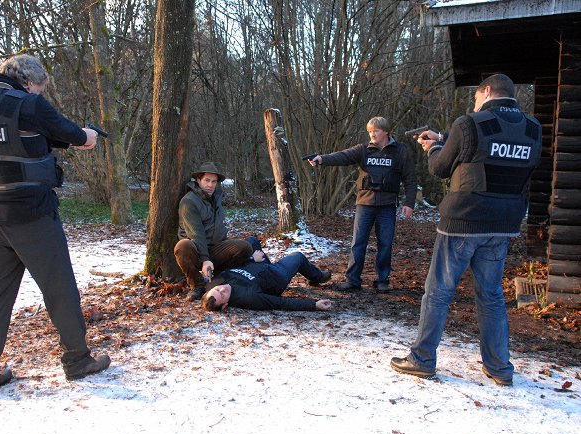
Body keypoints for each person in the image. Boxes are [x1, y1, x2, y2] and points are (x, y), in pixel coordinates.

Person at [0, 54, 111, 396]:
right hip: (31, 213)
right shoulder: (30, 103)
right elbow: (76, 136)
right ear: (29, 83)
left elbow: (21, 140)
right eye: (40, 88)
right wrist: (87, 134)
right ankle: (77, 360)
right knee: (59, 286)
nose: (39, 92)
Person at [390, 74, 542, 386]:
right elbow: (490, 148)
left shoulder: (469, 122)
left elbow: (440, 168)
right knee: (491, 296)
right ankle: (500, 368)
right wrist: (446, 137)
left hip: (465, 220)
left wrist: (433, 147)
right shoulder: (533, 128)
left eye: (476, 99)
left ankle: (421, 359)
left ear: (486, 92)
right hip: (504, 224)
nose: (474, 105)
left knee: (439, 291)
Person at [308, 116, 417, 293]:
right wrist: (322, 159)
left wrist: (409, 203)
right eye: (370, 131)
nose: (372, 134)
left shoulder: (400, 151)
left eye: (376, 131)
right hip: (364, 204)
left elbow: (410, 179)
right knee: (358, 243)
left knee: (385, 243)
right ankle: (352, 280)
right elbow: (343, 156)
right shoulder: (363, 150)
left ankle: (382, 280)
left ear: (386, 132)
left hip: (387, 205)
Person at [174, 162, 257, 301]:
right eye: (207, 180)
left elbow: (218, 227)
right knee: (182, 246)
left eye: (214, 181)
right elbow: (196, 234)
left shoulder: (216, 198)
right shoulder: (189, 201)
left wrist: (229, 249)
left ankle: (216, 279)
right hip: (195, 249)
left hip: (215, 248)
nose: (210, 185)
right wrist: (205, 260)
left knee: (245, 247)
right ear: (198, 180)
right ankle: (198, 285)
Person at [201, 250, 332, 311]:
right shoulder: (249, 297)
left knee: (250, 242)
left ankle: (257, 257)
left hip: (256, 263)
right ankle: (317, 277)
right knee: (297, 256)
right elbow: (280, 303)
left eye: (218, 289)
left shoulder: (212, 284)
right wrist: (314, 305)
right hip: (276, 274)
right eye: (223, 295)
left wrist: (251, 259)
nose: (223, 288)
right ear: (225, 304)